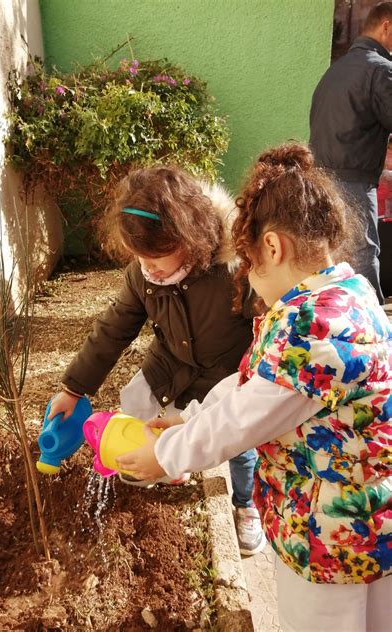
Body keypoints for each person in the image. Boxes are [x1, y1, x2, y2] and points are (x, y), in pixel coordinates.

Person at [118, 144, 391, 632]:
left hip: (332, 537)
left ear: (272, 247)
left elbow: (242, 421)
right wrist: (188, 416)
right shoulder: (342, 294)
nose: (246, 280)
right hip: (361, 522)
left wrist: (167, 454)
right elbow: (252, 387)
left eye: (247, 264)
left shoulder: (314, 331)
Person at [48, 165, 266, 555]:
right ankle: (166, 464)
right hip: (170, 363)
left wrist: (248, 380)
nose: (148, 269)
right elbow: (113, 329)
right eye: (140, 259)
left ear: (191, 238)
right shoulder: (143, 276)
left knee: (240, 447)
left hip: (225, 372)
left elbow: (264, 331)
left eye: (157, 259)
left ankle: (245, 504)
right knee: (137, 403)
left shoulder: (235, 272)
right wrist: (72, 387)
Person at [309, 1, 392, 305]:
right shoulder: (380, 70)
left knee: (334, 260)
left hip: (321, 181)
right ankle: (377, 340)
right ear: (386, 26)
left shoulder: (335, 71)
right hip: (353, 183)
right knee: (362, 258)